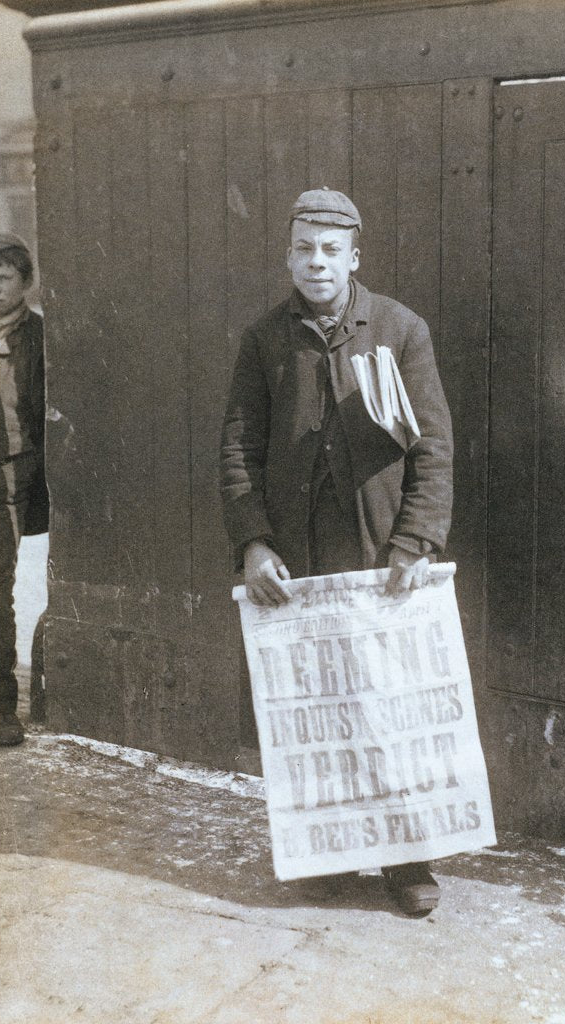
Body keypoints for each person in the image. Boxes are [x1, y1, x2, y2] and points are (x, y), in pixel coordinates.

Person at [220, 188, 453, 915]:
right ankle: (328, 852)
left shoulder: (399, 330)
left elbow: (432, 448)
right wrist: (254, 542)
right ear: (287, 257)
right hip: (298, 555)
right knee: (313, 705)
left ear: (354, 257)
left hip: (376, 550)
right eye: (303, 249)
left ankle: (406, 860)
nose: (315, 262)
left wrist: (413, 541)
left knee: (389, 702)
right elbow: (238, 449)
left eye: (330, 250)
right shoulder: (265, 339)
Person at [0, 232, 47, 747]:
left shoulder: (41, 339)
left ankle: (1, 708)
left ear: (25, 283)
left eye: (3, 278)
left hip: (6, 481)